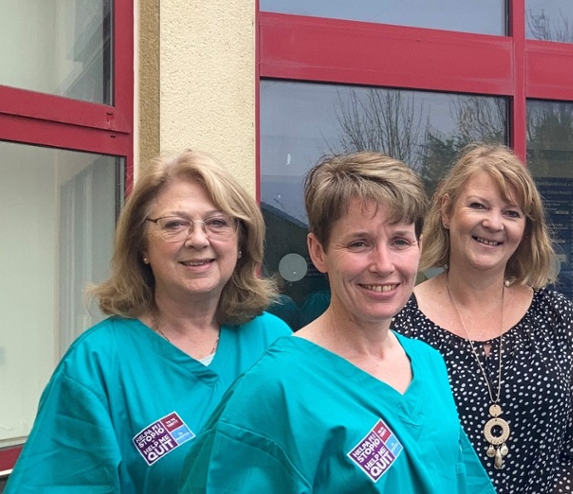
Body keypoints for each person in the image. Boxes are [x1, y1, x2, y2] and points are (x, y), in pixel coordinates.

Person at [179, 152, 495, 492]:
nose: (384, 264)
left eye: (400, 241)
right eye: (360, 243)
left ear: (419, 246)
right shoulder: (276, 388)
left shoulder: (428, 363)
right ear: (318, 252)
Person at [5, 151, 290, 493]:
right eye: (174, 224)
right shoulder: (97, 363)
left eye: (217, 222)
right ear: (142, 245)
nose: (198, 239)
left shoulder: (273, 341)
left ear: (241, 241)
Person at [395, 143, 573, 494]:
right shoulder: (401, 321)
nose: (494, 224)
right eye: (478, 205)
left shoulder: (554, 315)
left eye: (511, 213)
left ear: (526, 227)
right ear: (446, 211)